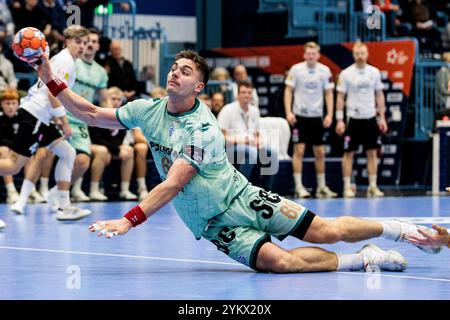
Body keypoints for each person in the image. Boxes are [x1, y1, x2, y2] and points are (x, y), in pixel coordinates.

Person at [33, 49, 449, 274]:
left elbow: (174, 183)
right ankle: (365, 259)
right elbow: (88, 113)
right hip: (212, 223)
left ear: (199, 86)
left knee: (323, 230)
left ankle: (401, 231)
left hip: (242, 198)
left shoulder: (203, 129)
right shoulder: (147, 110)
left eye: (184, 72)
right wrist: (48, 74)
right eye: (173, 68)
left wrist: (129, 218)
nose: (174, 74)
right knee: (276, 262)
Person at [4, 25, 92, 221]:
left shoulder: (64, 59)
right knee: (12, 166)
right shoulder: (65, 61)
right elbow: (52, 93)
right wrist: (64, 123)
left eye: (84, 42)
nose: (82, 46)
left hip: (42, 118)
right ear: (67, 42)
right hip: (35, 115)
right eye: (78, 41)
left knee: (68, 153)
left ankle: (63, 206)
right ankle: (55, 204)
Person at [284, 42, 337, 199]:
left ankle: (321, 187)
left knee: (320, 152)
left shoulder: (324, 71)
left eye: (314, 53)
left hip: (317, 117)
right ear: (304, 55)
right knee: (298, 151)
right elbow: (288, 90)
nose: (311, 56)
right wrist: (288, 112)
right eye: (308, 53)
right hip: (300, 116)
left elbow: (329, 93)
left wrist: (330, 115)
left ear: (318, 55)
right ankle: (299, 187)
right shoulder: (296, 69)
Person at [335, 42, 387, 198]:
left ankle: (372, 186)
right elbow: (340, 97)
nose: (360, 56)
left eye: (363, 53)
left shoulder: (374, 72)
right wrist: (339, 119)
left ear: (367, 54)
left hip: (370, 117)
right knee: (348, 153)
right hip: (353, 118)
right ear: (353, 55)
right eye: (357, 53)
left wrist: (382, 117)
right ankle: (346, 187)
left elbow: (379, 95)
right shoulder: (346, 74)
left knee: (372, 152)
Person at [218, 81, 278, 190]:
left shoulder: (254, 110)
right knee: (251, 152)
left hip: (251, 144)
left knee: (272, 153)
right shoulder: (228, 109)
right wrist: (242, 141)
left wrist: (259, 141)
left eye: (249, 93)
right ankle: (241, 189)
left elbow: (257, 133)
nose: (246, 95)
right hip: (230, 147)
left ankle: (266, 190)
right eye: (244, 92)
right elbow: (221, 136)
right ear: (238, 94)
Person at [89, 87, 137, 200]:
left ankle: (125, 190)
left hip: (108, 146)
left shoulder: (121, 116)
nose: (116, 102)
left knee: (129, 150)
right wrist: (116, 150)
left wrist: (117, 149)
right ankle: (94, 190)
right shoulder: (98, 112)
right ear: (106, 99)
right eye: (113, 99)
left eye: (119, 99)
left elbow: (120, 139)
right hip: (92, 144)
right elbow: (97, 139)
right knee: (103, 151)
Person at [0, 89, 21, 204]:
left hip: (17, 149)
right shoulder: (0, 118)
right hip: (4, 151)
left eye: (13, 103)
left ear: (18, 104)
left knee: (31, 152)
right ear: (2, 104)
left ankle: (31, 190)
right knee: (4, 150)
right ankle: (11, 191)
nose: (11, 107)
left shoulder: (22, 118)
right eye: (7, 103)